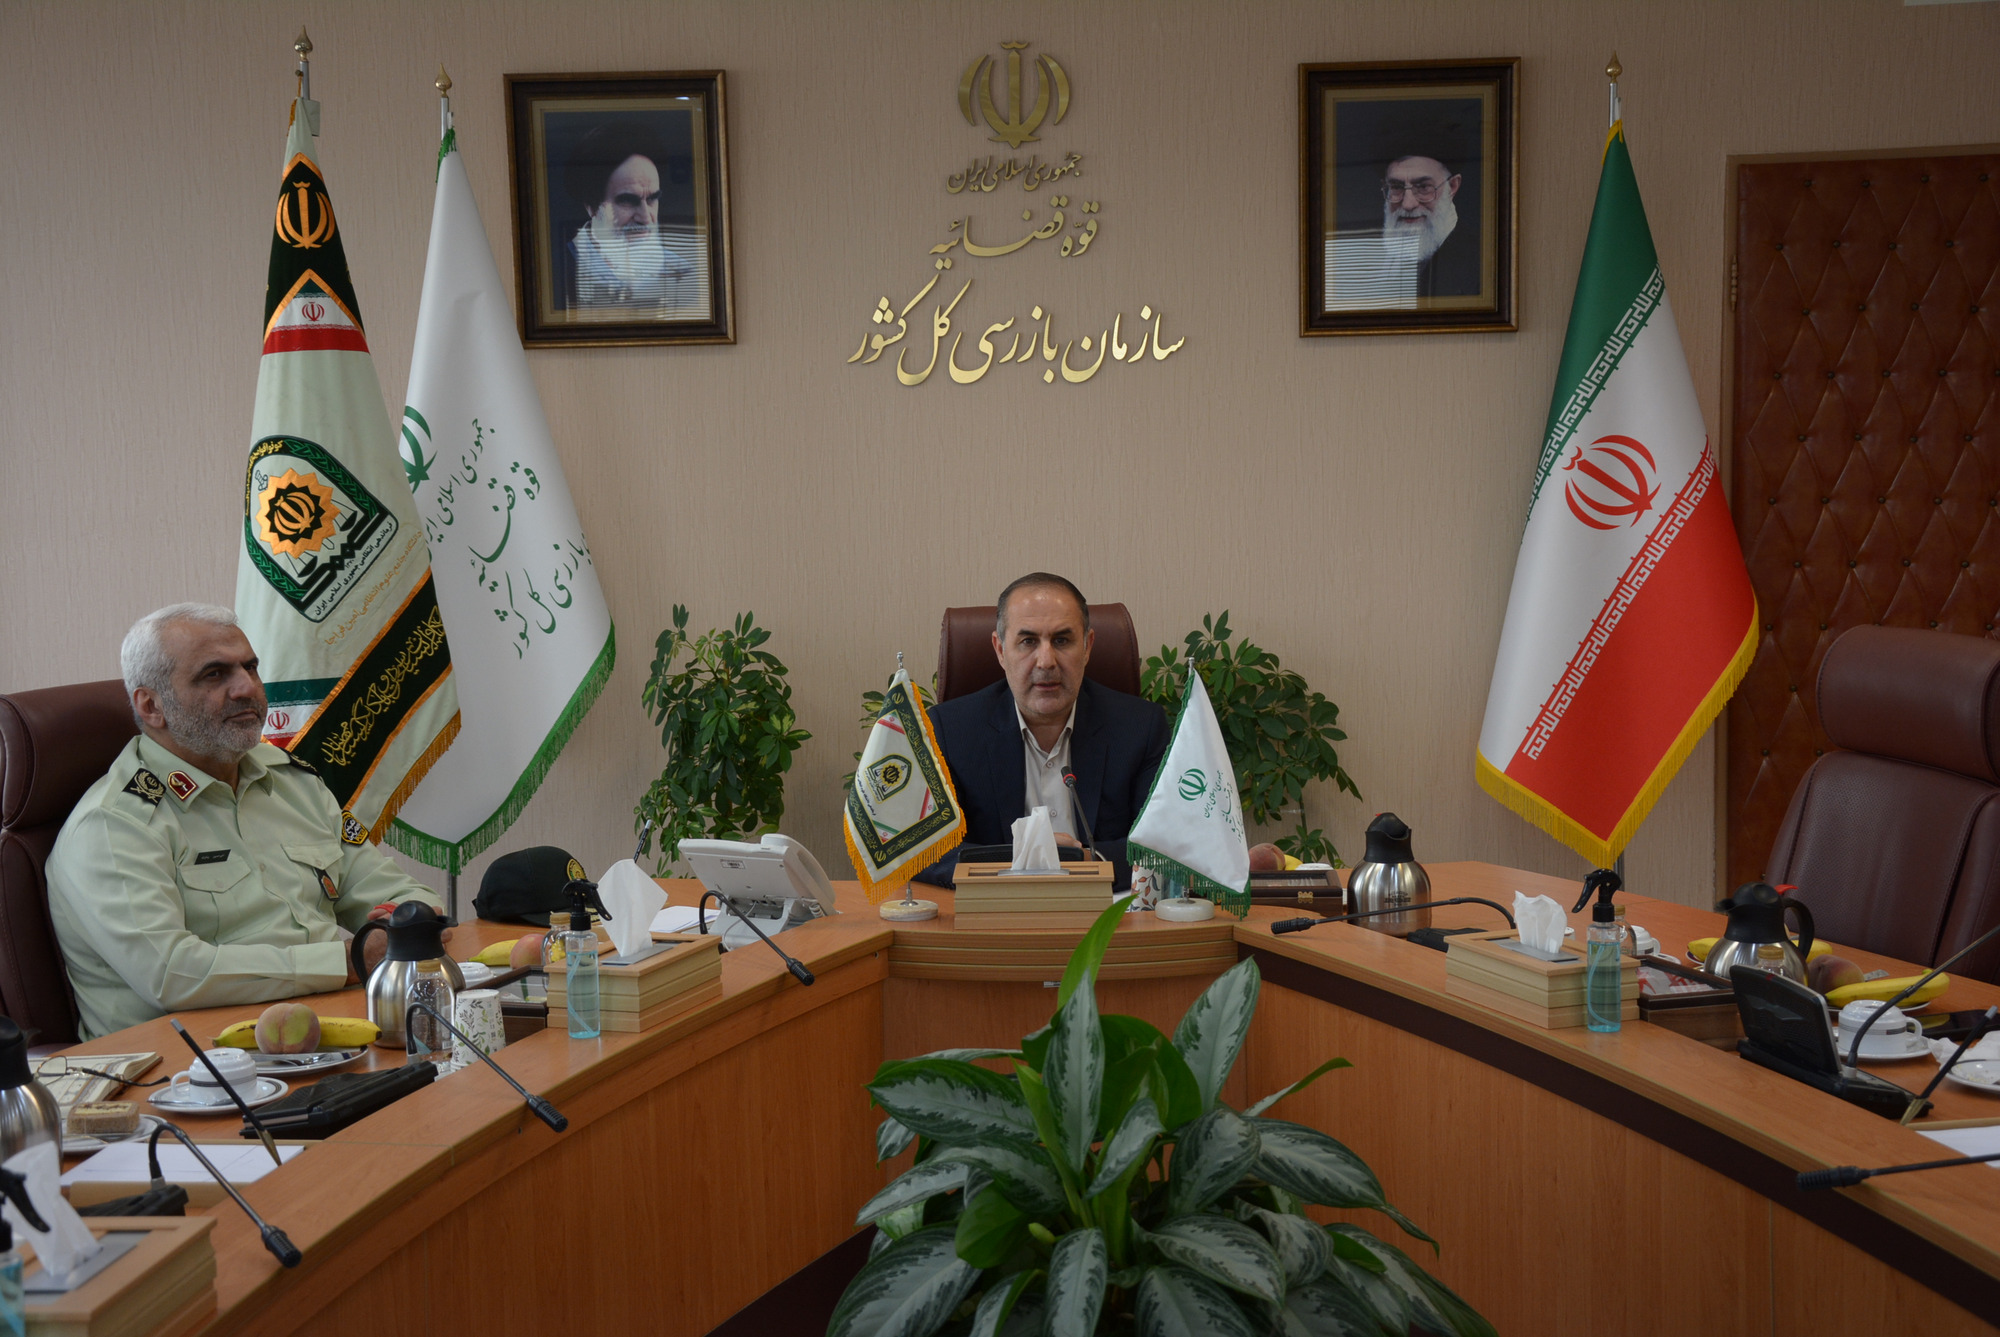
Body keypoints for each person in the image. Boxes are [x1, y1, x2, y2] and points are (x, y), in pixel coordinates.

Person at [46, 604, 447, 1039]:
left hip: (326, 1027)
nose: (247, 688)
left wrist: (407, 923)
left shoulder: (292, 783)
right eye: (214, 674)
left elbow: (394, 892)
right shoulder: (112, 824)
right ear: (152, 706)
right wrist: (350, 959)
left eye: (250, 667)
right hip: (190, 1062)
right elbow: (173, 974)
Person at [915, 574, 1169, 891]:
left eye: (1062, 641)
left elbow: (1164, 843)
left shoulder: (1141, 727)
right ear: (1000, 649)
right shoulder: (949, 730)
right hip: (995, 910)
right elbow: (924, 850)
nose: (1046, 661)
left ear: (1087, 647)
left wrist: (1084, 861)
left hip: (1104, 910)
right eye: (1028, 642)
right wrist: (1022, 860)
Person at [556, 122, 701, 316]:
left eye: (652, 199)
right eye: (628, 201)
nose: (646, 217)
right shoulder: (559, 272)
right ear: (592, 206)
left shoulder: (683, 273)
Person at [1380, 152, 1480, 298]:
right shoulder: (1374, 259)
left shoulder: (1480, 261)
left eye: (1423, 187)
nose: (1408, 204)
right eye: (1396, 187)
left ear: (1452, 186)